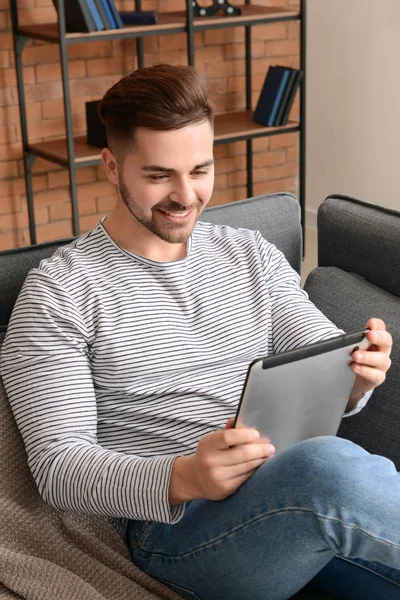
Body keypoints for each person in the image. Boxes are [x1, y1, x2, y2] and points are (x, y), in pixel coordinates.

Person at [0, 64, 398, 600]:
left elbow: (318, 353)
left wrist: (356, 377)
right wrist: (185, 477)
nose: (185, 196)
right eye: (159, 175)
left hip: (292, 503)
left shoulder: (251, 254)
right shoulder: (60, 292)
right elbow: (59, 467)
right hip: (178, 534)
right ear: (112, 166)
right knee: (327, 468)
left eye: (201, 170)